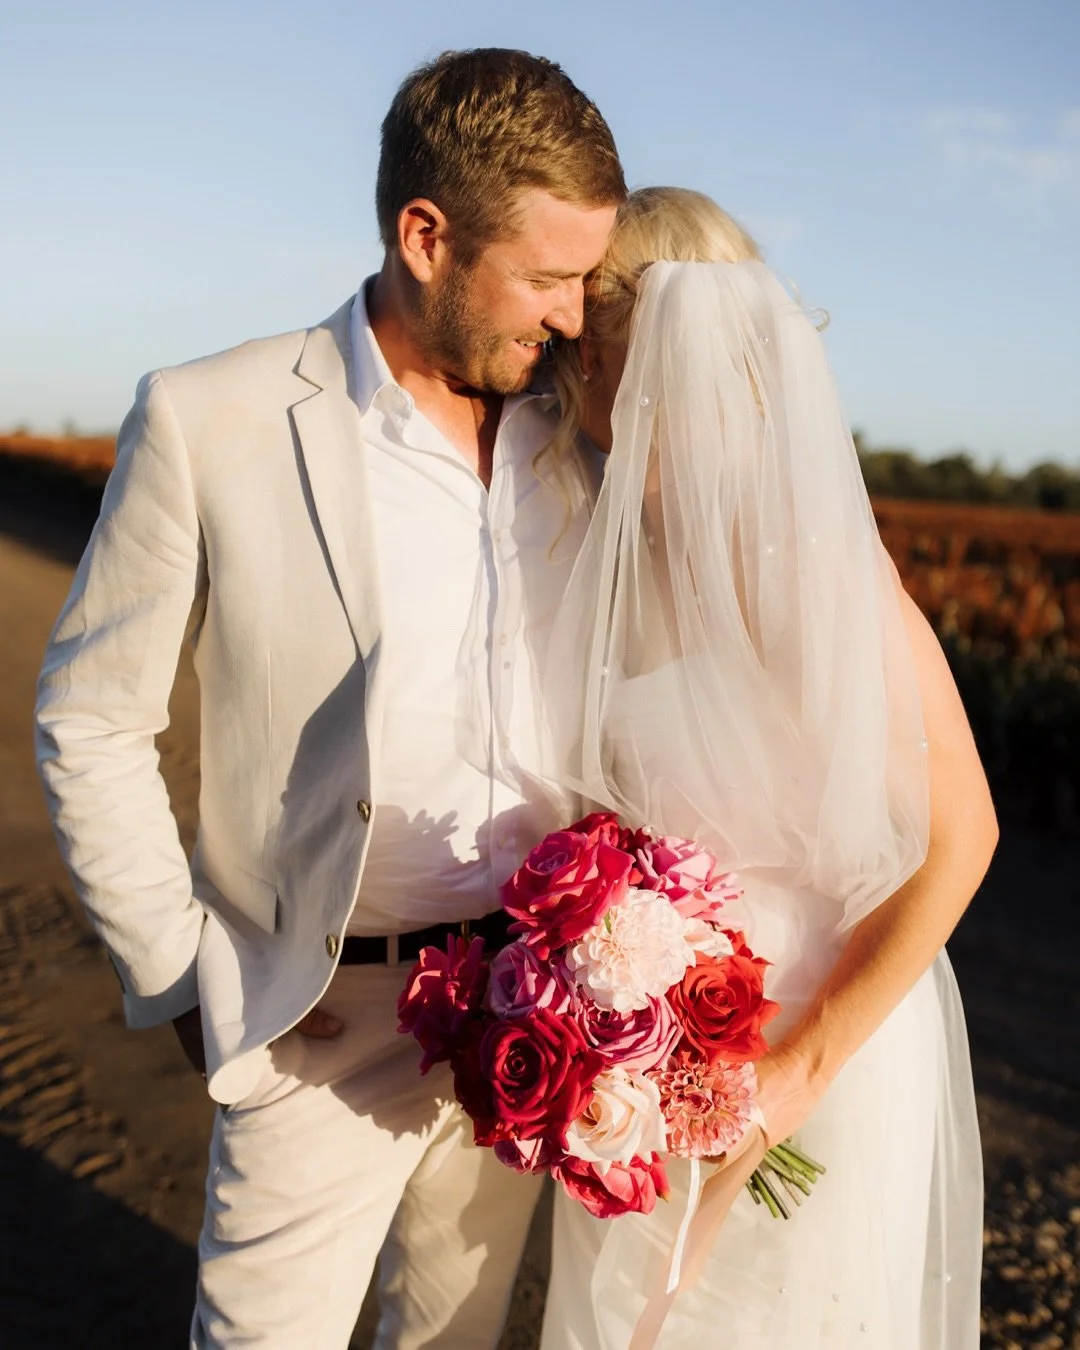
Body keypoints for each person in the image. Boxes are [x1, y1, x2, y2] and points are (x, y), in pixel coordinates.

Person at [34, 48, 623, 1350]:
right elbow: (90, 712)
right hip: (315, 1021)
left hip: (526, 1014)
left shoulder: (577, 437)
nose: (576, 314)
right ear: (426, 234)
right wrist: (180, 972)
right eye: (547, 275)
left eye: (588, 275)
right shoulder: (210, 416)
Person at [529, 188, 996, 1348]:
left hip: (806, 1047)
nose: (566, 378)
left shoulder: (811, 568)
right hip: (643, 1056)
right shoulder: (607, 546)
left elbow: (967, 833)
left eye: (587, 350)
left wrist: (798, 1072)